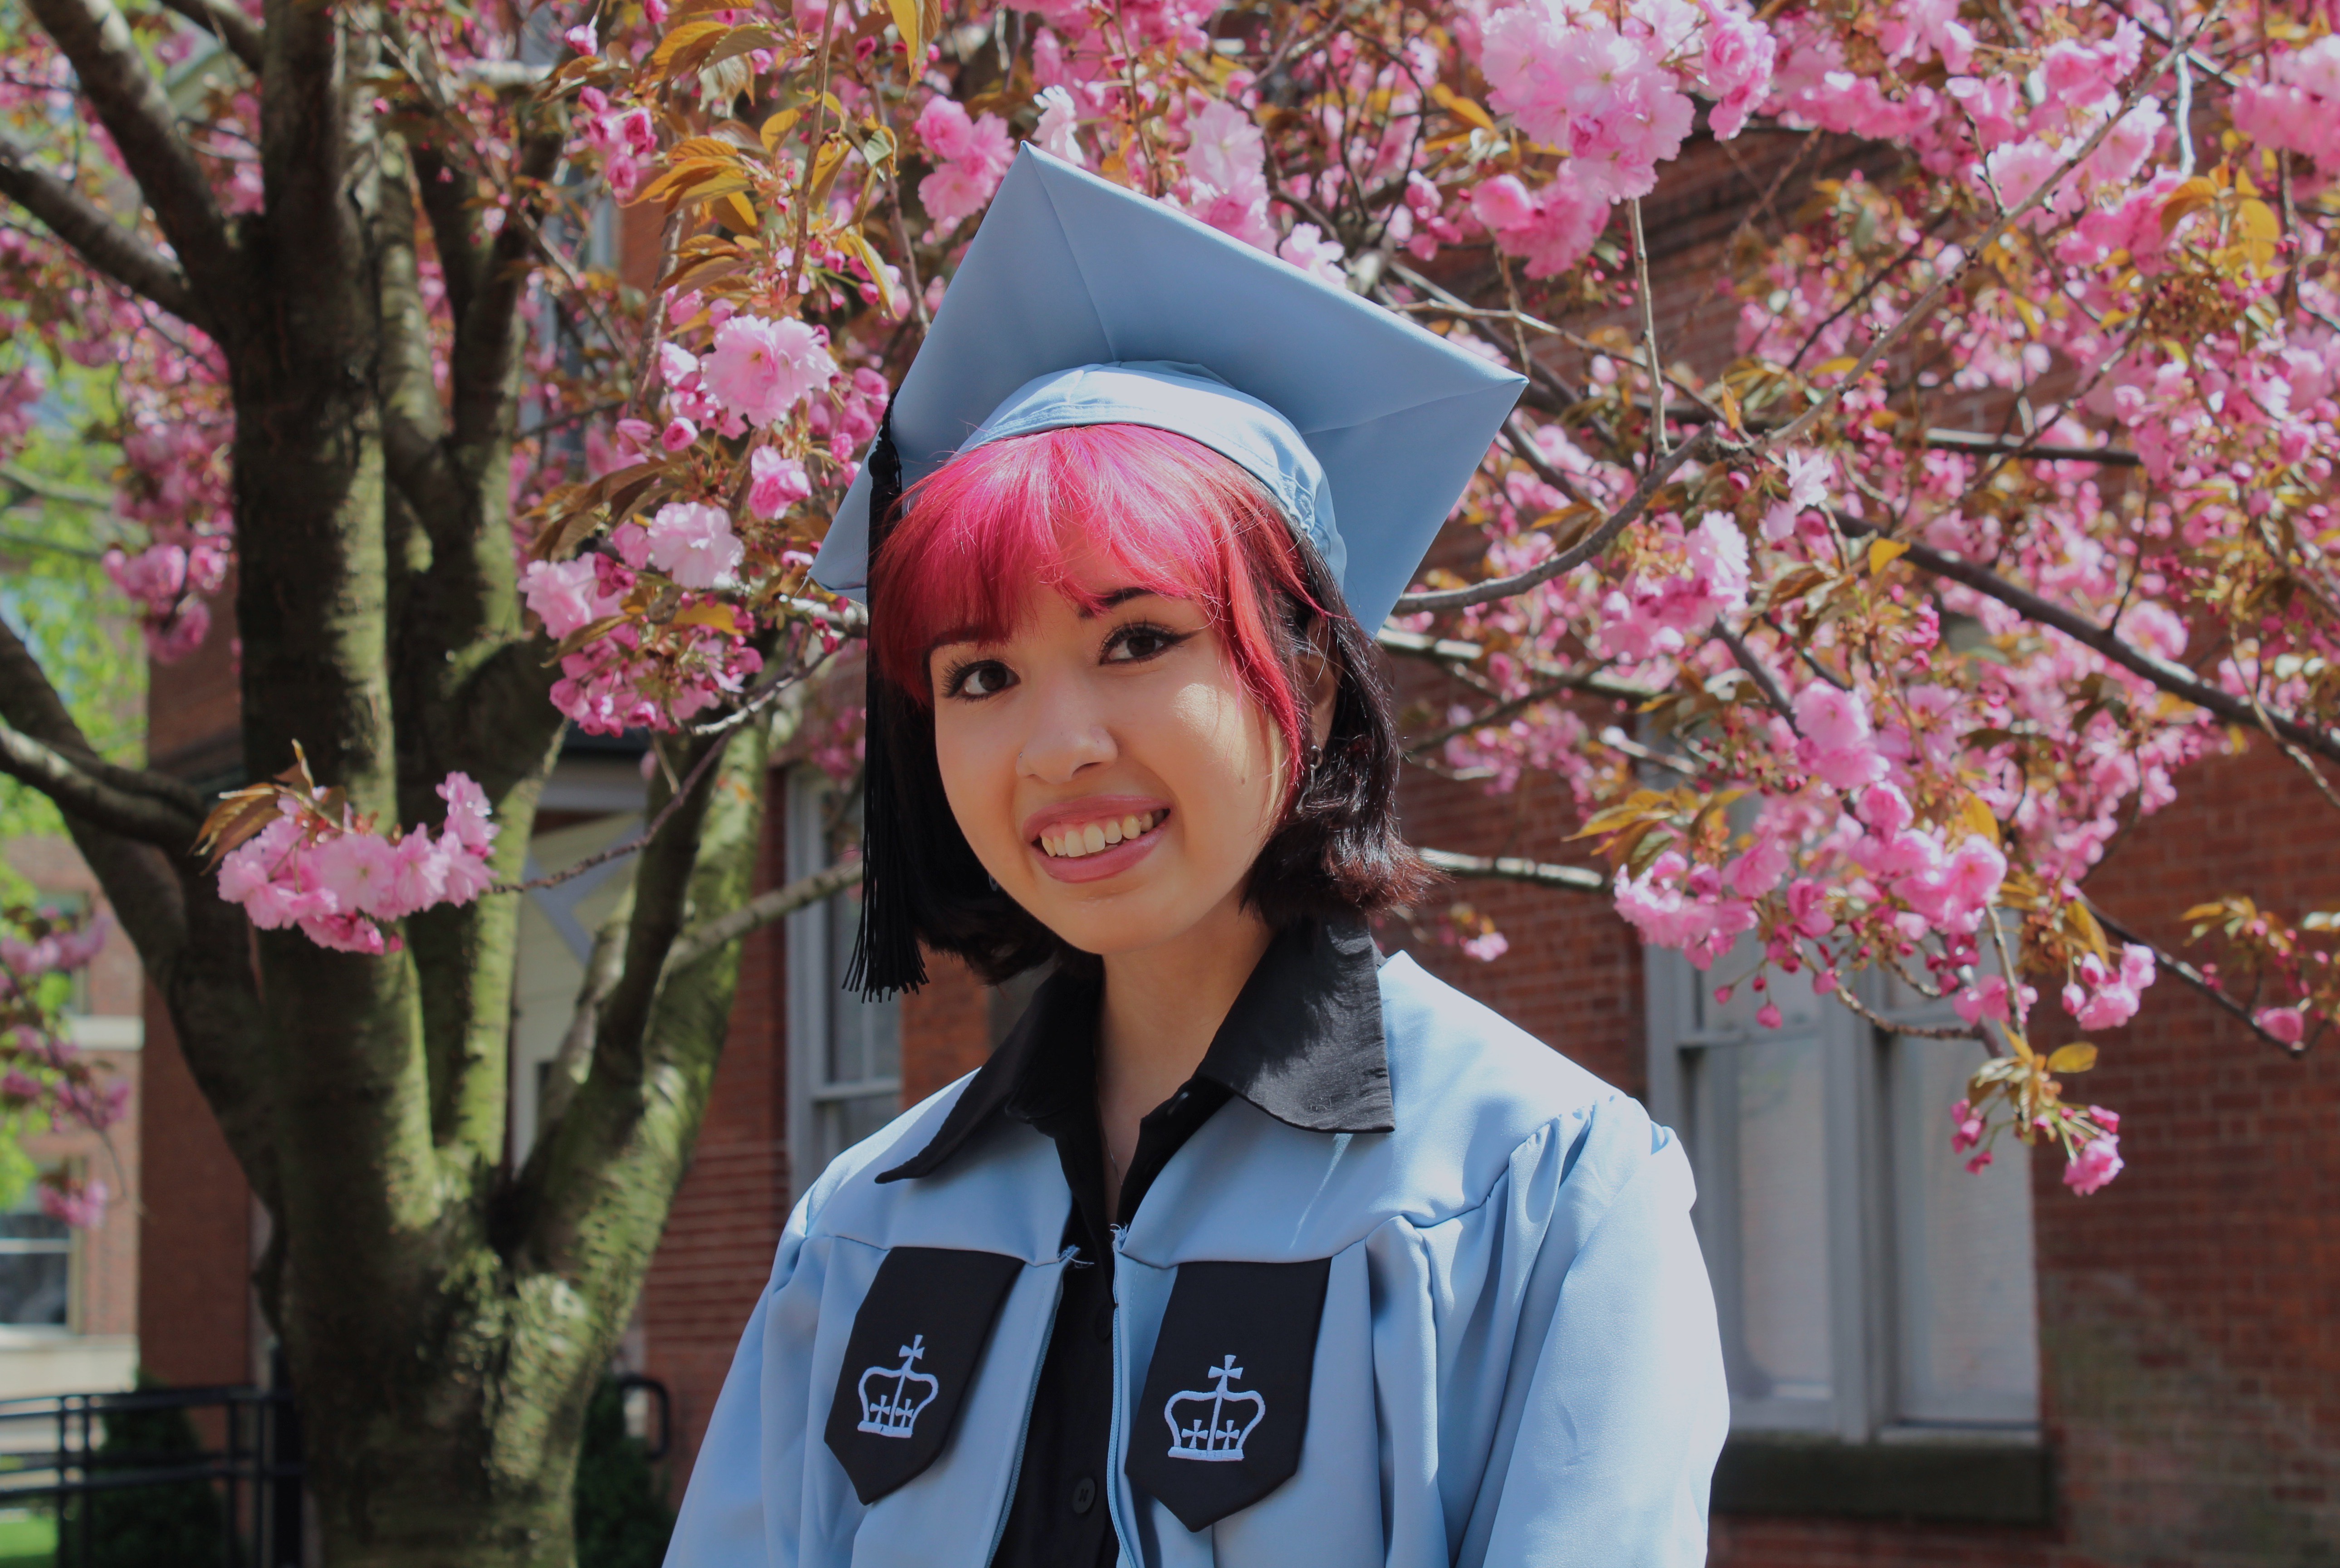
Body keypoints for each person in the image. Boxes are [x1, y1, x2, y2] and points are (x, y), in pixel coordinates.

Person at [666, 146, 1727, 1568]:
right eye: (979, 676)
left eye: (1137, 642)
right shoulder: (863, 1226)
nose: (1055, 747)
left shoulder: (1535, 1189)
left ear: (1319, 682)